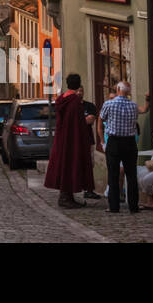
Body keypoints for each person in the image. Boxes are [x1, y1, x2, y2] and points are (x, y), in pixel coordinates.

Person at [97, 80, 150, 213]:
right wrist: (148, 99)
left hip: (114, 142)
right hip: (130, 143)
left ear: (118, 90)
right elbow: (144, 109)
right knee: (131, 175)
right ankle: (133, 206)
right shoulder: (133, 106)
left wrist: (102, 140)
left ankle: (114, 206)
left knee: (113, 175)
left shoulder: (109, 104)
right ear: (128, 92)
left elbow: (101, 119)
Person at [43, 73, 95, 208]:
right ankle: (65, 198)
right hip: (72, 139)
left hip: (62, 138)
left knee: (65, 165)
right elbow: (77, 123)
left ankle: (68, 196)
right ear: (78, 84)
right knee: (71, 165)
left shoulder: (62, 99)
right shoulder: (75, 101)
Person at [79, 87, 101, 200]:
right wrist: (83, 119)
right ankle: (77, 189)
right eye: (77, 90)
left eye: (81, 90)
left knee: (89, 165)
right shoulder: (72, 106)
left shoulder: (89, 106)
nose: (79, 93)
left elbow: (91, 120)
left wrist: (76, 120)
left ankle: (89, 190)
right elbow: (86, 120)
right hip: (75, 141)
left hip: (88, 140)